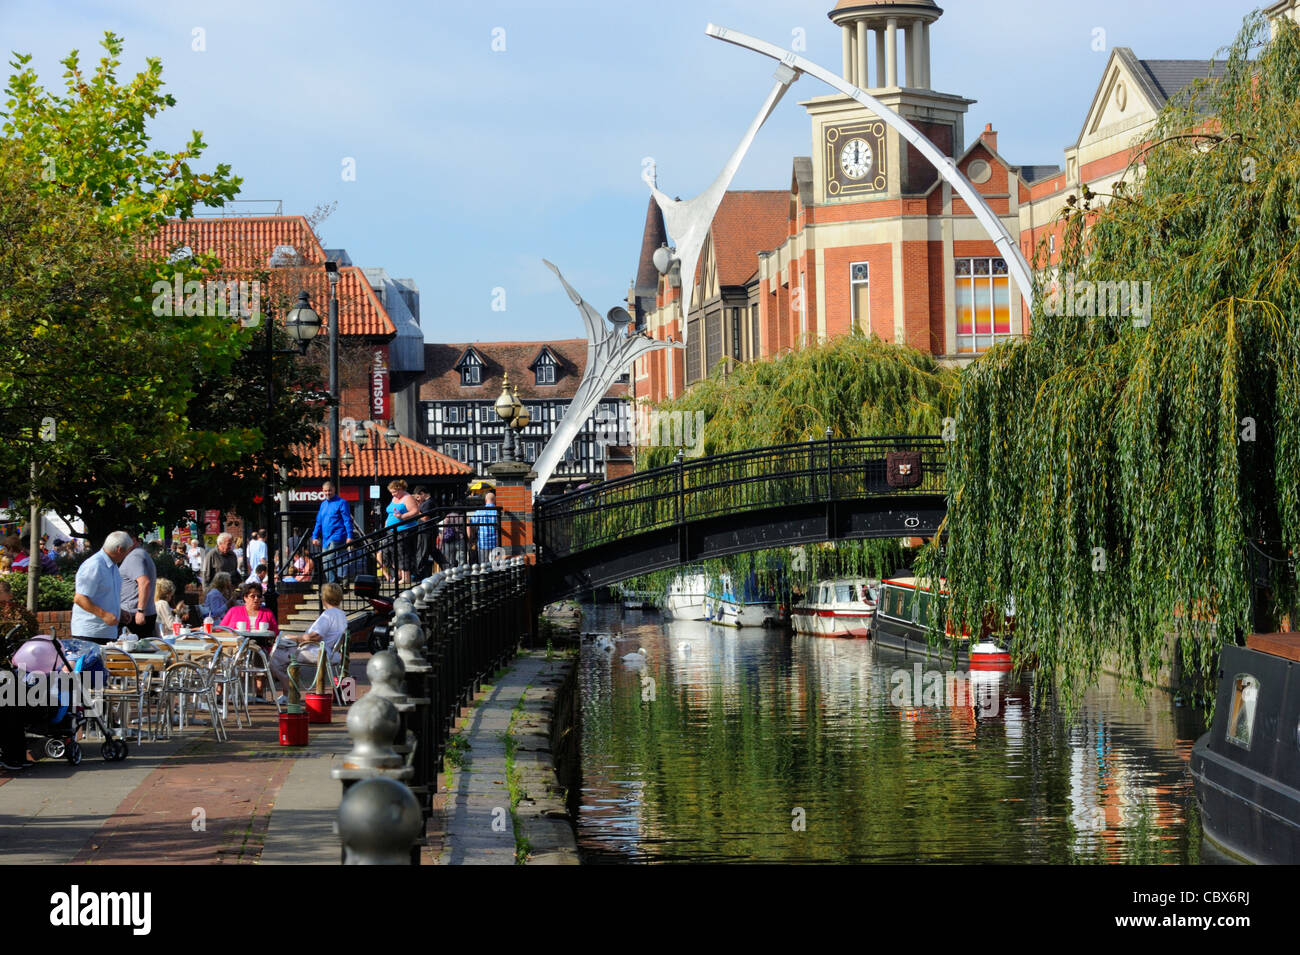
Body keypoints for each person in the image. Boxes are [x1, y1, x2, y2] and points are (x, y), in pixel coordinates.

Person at [269, 582, 347, 704]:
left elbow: (316, 636)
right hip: (330, 652)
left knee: (273, 657)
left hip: (317, 651)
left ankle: (289, 692)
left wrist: (297, 638)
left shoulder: (328, 614)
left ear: (324, 597)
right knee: (283, 652)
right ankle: (289, 691)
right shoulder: (341, 615)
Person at [71, 531, 132, 644]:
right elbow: (79, 598)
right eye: (128, 551)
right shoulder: (94, 565)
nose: (128, 555)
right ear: (119, 550)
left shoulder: (112, 566)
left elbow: (104, 596)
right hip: (90, 633)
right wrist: (104, 615)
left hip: (105, 632)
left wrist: (119, 611)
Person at [119, 529, 157, 640]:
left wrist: (140, 611)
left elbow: (144, 582)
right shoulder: (139, 554)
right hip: (136, 614)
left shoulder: (134, 556)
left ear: (133, 540)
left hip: (134, 615)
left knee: (135, 654)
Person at [311, 481, 352, 583]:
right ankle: (339, 581)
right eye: (325, 491)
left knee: (327, 559)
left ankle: (333, 582)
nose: (327, 493)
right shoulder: (323, 504)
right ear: (322, 491)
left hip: (338, 535)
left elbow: (347, 520)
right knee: (330, 560)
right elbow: (319, 521)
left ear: (334, 489)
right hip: (326, 538)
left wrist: (349, 535)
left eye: (329, 490)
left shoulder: (342, 502)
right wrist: (314, 536)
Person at [384, 480, 421, 588]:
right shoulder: (395, 498)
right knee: (389, 552)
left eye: (394, 492)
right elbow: (391, 511)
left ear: (400, 489)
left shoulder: (407, 497)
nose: (393, 494)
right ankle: (399, 574)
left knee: (402, 552)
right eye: (391, 492)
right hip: (391, 530)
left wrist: (402, 517)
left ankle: (406, 577)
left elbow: (415, 511)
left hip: (404, 530)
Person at [467, 489, 500, 562]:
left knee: (483, 566)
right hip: (495, 543)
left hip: (482, 543)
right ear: (494, 500)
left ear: (485, 500)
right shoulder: (497, 512)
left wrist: (472, 537)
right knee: (495, 566)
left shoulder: (479, 512)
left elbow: (471, 524)